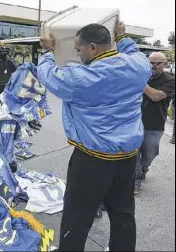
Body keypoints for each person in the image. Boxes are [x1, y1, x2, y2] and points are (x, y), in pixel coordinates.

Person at [39, 21, 151, 251]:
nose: (78, 56)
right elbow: (133, 52)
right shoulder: (139, 67)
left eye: (78, 50)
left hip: (92, 159)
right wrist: (122, 37)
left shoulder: (80, 79)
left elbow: (48, 75)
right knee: (123, 214)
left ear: (92, 48)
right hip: (128, 157)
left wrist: (49, 52)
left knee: (77, 217)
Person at [134, 52, 175, 193]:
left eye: (158, 63)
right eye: (151, 62)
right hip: (134, 123)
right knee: (134, 153)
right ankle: (135, 180)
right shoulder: (141, 75)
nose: (154, 66)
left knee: (150, 153)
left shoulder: (169, 80)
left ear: (165, 64)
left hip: (154, 125)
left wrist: (140, 82)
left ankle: (144, 168)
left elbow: (155, 96)